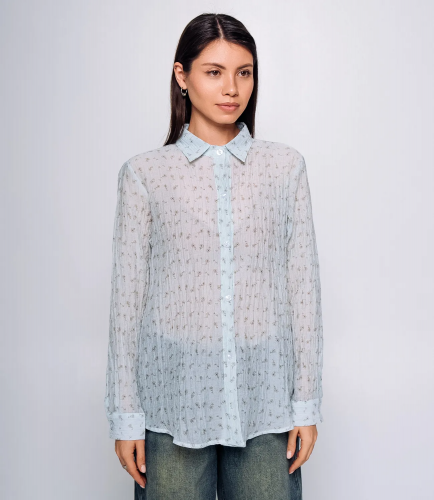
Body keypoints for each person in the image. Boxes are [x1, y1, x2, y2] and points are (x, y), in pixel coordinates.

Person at [104, 12, 324, 500]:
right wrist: (126, 416)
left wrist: (306, 404)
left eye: (244, 72)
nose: (232, 88)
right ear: (182, 76)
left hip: (266, 402)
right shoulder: (144, 175)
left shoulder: (285, 168)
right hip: (172, 401)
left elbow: (303, 290)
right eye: (214, 71)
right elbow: (127, 303)